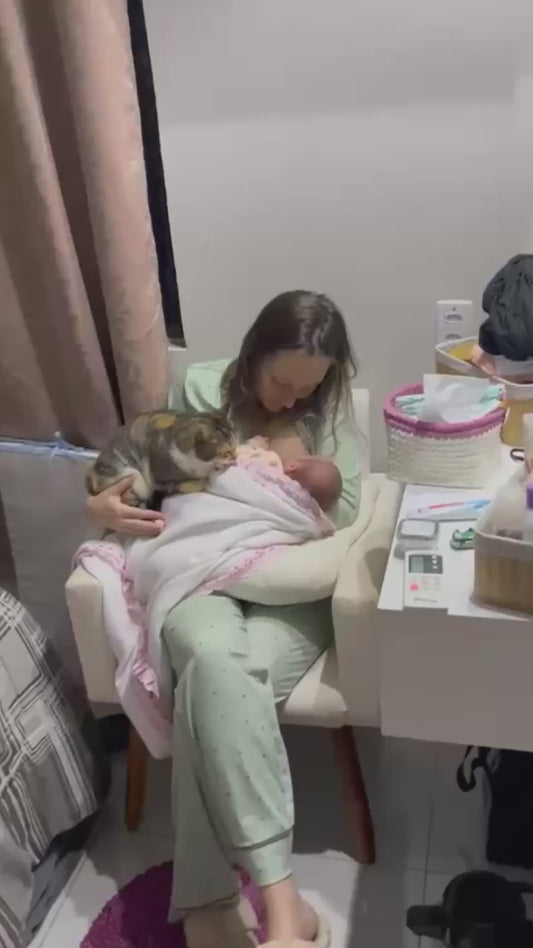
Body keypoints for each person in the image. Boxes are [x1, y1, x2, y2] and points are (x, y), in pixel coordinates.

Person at [86, 290, 360, 948]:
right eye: (280, 380)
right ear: (251, 355)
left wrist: (294, 470)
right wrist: (102, 505)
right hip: (198, 576)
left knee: (207, 687)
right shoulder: (200, 385)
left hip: (283, 595)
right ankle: (284, 904)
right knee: (209, 658)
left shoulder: (327, 406)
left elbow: (342, 508)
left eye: (308, 388)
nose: (292, 398)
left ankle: (210, 902)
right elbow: (151, 475)